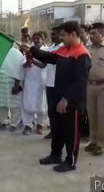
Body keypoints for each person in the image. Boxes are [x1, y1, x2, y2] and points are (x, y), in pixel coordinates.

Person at [22, 21, 91, 172]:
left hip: (72, 102)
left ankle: (70, 161)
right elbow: (48, 57)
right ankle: (55, 154)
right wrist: (31, 49)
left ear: (74, 34)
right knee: (57, 128)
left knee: (71, 133)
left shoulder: (82, 54)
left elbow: (80, 82)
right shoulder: (64, 50)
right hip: (58, 96)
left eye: (64, 35)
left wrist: (66, 99)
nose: (61, 37)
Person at [22, 32, 48, 135]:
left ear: (43, 40)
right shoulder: (28, 50)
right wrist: (26, 63)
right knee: (28, 102)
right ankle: (28, 125)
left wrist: (32, 60)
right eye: (34, 39)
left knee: (42, 104)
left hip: (42, 81)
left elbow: (43, 65)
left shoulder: (47, 51)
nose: (36, 40)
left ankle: (40, 124)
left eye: (38, 38)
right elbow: (23, 65)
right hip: (30, 80)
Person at [0, 46, 25, 132]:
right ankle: (3, 122)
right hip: (0, 79)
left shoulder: (18, 54)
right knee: (1, 103)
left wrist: (17, 84)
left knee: (15, 104)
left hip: (13, 80)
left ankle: (14, 124)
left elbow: (20, 69)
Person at [85, 22, 104, 156]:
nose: (91, 36)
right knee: (91, 114)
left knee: (102, 116)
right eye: (90, 33)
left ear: (102, 35)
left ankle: (101, 144)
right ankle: (92, 141)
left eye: (94, 33)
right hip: (89, 85)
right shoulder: (87, 49)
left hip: (103, 86)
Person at [44, 26, 64, 139]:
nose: (52, 36)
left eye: (55, 34)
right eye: (51, 34)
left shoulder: (64, 48)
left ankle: (60, 133)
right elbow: (43, 63)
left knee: (59, 111)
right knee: (51, 111)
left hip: (59, 84)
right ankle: (53, 131)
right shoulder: (50, 48)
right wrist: (32, 59)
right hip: (49, 83)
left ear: (61, 35)